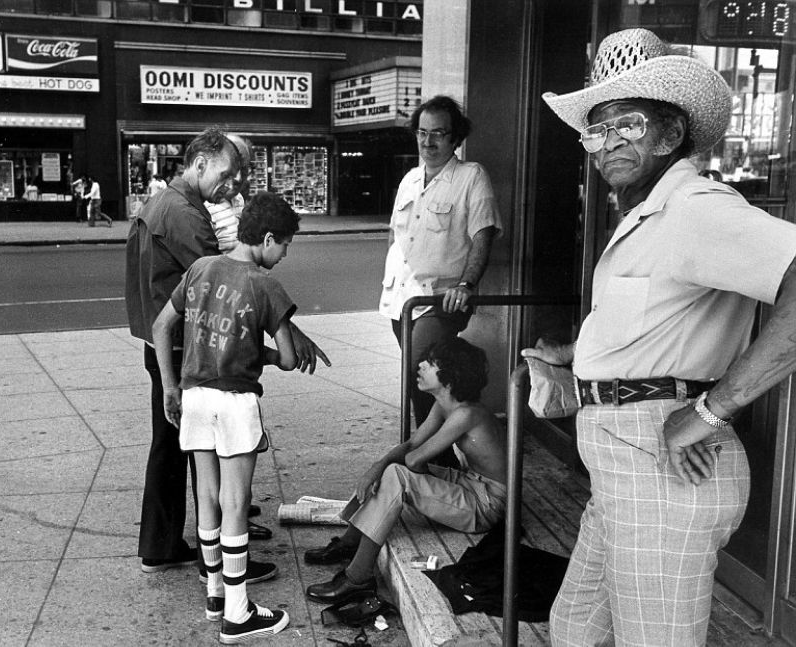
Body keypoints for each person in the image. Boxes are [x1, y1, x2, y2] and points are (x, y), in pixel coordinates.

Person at [525, 28, 796, 646]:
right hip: (626, 473)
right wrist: (578, 354)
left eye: (630, 123)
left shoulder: (695, 209)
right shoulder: (650, 217)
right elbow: (660, 318)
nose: (609, 141)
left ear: (672, 135)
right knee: (574, 631)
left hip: (663, 473)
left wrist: (709, 411)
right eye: (597, 129)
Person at [125, 127, 330, 582]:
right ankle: (213, 559)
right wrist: (288, 333)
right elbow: (232, 284)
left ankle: (162, 546)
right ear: (199, 164)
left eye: (238, 175)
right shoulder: (184, 215)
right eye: (226, 173)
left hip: (165, 342)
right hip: (186, 349)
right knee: (209, 456)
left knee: (173, 447)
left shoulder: (160, 202)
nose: (232, 184)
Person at [152, 191, 301, 644]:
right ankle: (238, 614)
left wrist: (171, 385)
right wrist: (268, 353)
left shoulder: (200, 269)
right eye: (286, 245)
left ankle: (216, 592)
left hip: (195, 396)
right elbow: (291, 360)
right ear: (268, 238)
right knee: (237, 501)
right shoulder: (265, 285)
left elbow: (162, 326)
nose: (285, 254)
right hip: (236, 402)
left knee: (209, 497)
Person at [303, 338, 506, 605]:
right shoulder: (445, 405)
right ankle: (350, 542)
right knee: (389, 469)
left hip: (486, 503)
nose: (420, 366)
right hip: (470, 484)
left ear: (451, 375)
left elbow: (413, 460)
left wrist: (395, 472)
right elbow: (411, 445)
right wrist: (376, 467)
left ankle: (358, 578)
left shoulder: (466, 414)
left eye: (430, 363)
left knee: (396, 476)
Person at [381, 94, 502, 466]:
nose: (428, 142)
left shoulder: (471, 177)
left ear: (455, 138)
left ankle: (435, 459)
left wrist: (466, 285)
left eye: (438, 134)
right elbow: (395, 237)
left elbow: (483, 234)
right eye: (422, 133)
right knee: (429, 380)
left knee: (422, 369)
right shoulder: (408, 180)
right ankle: (441, 456)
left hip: (440, 300)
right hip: (400, 299)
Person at [205, 135, 253, 253]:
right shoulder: (203, 205)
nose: (239, 177)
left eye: (244, 169)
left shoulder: (238, 198)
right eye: (233, 168)